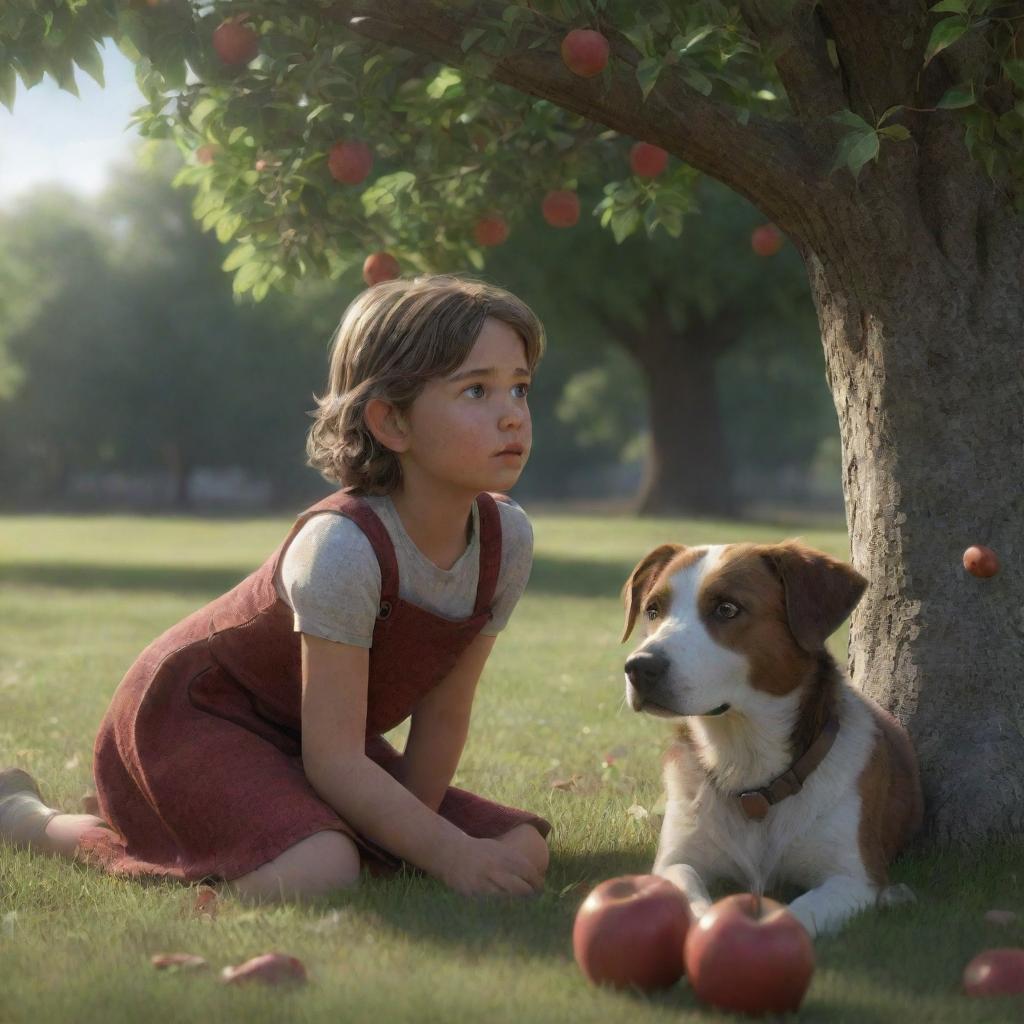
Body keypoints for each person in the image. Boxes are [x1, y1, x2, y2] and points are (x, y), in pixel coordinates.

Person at [0, 274, 551, 904]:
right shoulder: (342, 548)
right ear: (391, 421)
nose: (512, 412)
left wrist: (419, 850)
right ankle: (32, 822)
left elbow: (444, 716)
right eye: (476, 389)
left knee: (520, 849)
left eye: (520, 387)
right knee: (322, 867)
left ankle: (251, 815)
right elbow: (337, 764)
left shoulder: (506, 541)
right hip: (193, 719)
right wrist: (446, 853)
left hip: (310, 735)